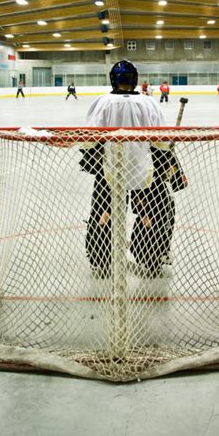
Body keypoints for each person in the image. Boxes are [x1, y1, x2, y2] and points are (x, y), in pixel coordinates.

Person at [81, 60, 175, 278]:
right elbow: (161, 141)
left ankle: (101, 259)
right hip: (144, 170)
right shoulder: (149, 103)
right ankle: (152, 257)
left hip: (110, 170)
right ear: (134, 79)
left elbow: (88, 140)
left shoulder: (103, 102)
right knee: (149, 214)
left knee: (104, 212)